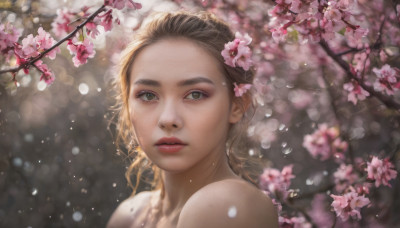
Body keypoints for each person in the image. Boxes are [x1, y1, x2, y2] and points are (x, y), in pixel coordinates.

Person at [106, 10, 278, 228]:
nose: (168, 119)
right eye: (148, 95)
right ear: (127, 104)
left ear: (237, 105)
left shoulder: (226, 205)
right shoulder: (129, 216)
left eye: (195, 94)